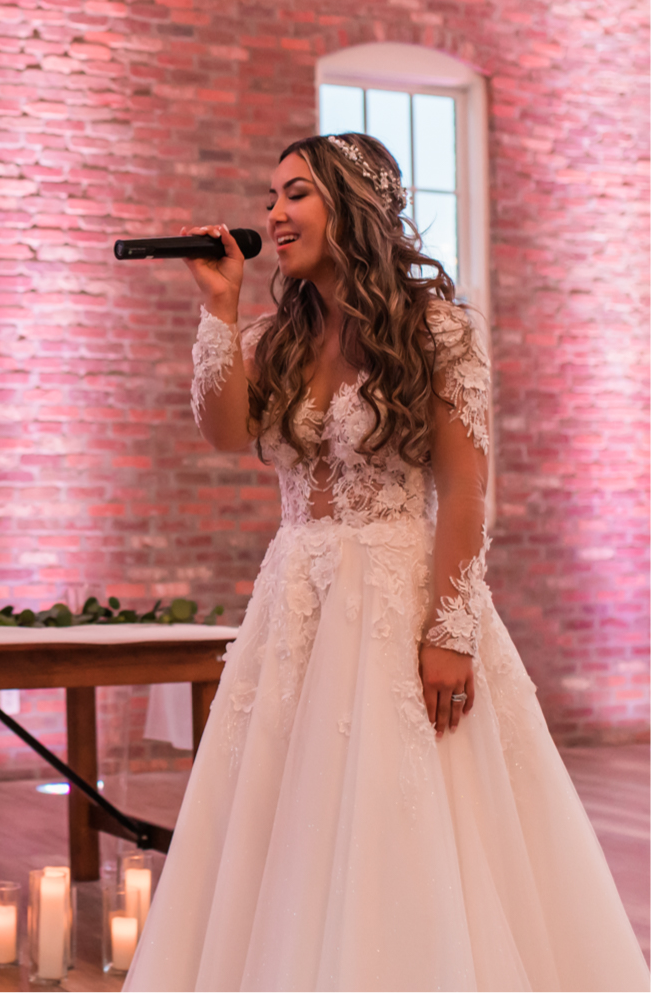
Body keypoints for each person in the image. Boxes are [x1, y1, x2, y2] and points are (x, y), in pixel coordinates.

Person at [123, 134, 649, 990]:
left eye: (295, 194)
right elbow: (222, 433)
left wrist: (451, 629)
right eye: (269, 198)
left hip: (397, 600)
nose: (274, 215)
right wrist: (219, 310)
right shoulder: (274, 337)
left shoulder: (437, 332)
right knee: (278, 821)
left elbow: (466, 494)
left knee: (399, 820)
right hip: (295, 603)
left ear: (352, 209)